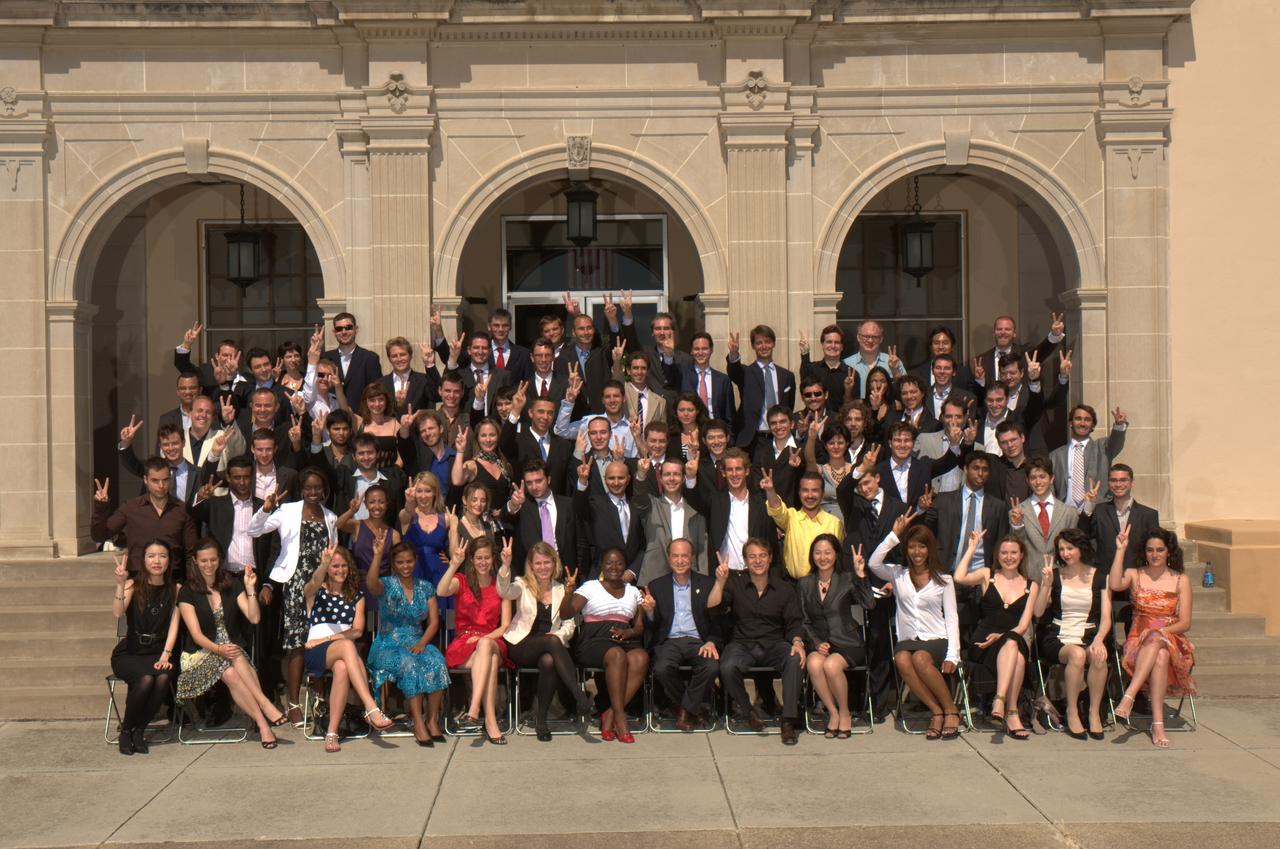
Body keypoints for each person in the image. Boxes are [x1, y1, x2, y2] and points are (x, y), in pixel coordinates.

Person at [247, 467, 338, 725]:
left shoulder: (330, 517)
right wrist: (266, 508)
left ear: (324, 490)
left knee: (320, 640)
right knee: (297, 645)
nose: (312, 492)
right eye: (308, 488)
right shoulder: (287, 511)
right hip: (296, 583)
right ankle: (294, 703)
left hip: (321, 584)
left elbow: (333, 554)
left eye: (317, 488)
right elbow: (254, 531)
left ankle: (320, 701)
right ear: (301, 489)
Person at [176, 539, 286, 747]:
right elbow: (196, 635)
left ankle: (263, 725)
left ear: (220, 560)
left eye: (213, 560)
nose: (209, 565)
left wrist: (250, 588)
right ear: (195, 562)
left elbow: (254, 618)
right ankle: (264, 707)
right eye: (204, 561)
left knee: (230, 669)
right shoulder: (187, 591)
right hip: (199, 655)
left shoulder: (231, 585)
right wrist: (219, 649)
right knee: (232, 659)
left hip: (231, 655)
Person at [867, 512, 963, 740]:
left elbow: (952, 618)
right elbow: (873, 562)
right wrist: (895, 534)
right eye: (912, 547)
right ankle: (936, 711)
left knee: (920, 658)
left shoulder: (944, 579)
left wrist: (953, 655)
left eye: (922, 547)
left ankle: (951, 710)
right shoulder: (898, 574)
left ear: (930, 549)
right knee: (901, 658)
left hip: (936, 638)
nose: (917, 552)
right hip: (908, 639)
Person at [708, 539, 806, 745]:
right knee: (727, 666)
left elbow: (795, 622)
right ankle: (748, 711)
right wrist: (720, 581)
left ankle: (788, 720)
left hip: (774, 644)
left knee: (794, 658)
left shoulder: (784, 588)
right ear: (745, 560)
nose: (758, 560)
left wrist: (797, 642)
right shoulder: (735, 584)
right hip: (742, 644)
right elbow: (712, 608)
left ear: (770, 559)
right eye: (752, 556)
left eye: (762, 555)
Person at [1109, 527, 1196, 749]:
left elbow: (1185, 622)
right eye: (1150, 550)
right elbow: (1114, 584)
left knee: (1159, 641)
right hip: (1138, 639)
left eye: (1160, 550)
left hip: (1172, 635)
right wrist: (1120, 550)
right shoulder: (1135, 574)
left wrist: (1161, 632)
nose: (1154, 554)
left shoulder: (1180, 579)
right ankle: (1158, 724)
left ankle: (1129, 695)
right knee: (1159, 655)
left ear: (1169, 552)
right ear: (1144, 552)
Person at [496, 541, 593, 741]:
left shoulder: (561, 589)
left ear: (554, 563)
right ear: (531, 565)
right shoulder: (521, 585)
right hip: (521, 645)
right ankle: (579, 696)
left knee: (549, 660)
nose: (542, 567)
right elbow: (504, 592)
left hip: (550, 647)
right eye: (538, 563)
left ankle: (541, 722)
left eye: (546, 562)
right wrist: (505, 565)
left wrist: (557, 637)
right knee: (551, 644)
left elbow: (569, 624)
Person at [302, 544, 395, 752]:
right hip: (316, 652)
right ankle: (371, 707)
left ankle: (332, 733)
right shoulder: (316, 592)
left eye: (344, 566)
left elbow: (357, 631)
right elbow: (312, 583)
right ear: (327, 568)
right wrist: (323, 565)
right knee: (346, 645)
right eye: (334, 566)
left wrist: (328, 637)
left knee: (343, 666)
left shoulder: (356, 594)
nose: (340, 570)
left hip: (341, 651)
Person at [953, 532, 1038, 739]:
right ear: (997, 555)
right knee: (1015, 652)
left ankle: (1000, 700)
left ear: (1021, 555)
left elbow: (1024, 625)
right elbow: (959, 577)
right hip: (983, 643)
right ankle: (1011, 711)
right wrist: (972, 547)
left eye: (1013, 552)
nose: (1009, 557)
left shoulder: (1031, 585)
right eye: (1004, 552)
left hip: (1011, 638)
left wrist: (1001, 637)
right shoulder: (986, 575)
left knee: (1013, 646)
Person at [366, 537, 449, 747]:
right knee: (410, 665)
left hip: (417, 640)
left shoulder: (426, 587)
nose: (405, 566)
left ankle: (432, 720)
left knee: (437, 662)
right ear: (394, 564)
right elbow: (370, 584)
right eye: (400, 562)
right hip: (387, 644)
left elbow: (433, 622)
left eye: (409, 561)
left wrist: (422, 643)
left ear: (415, 561)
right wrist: (377, 555)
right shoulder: (386, 584)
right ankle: (418, 722)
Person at [560, 548, 649, 743]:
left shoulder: (634, 592)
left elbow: (640, 626)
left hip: (624, 639)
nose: (614, 567)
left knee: (641, 657)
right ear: (601, 566)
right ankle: (620, 718)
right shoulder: (590, 587)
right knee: (616, 655)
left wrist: (629, 632)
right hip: (593, 641)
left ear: (625, 567)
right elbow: (566, 613)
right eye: (609, 563)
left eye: (619, 563)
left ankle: (609, 714)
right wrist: (568, 592)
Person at [1032, 527, 1111, 740]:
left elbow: (1106, 618)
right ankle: (1072, 711)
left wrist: (1099, 640)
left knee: (1098, 656)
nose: (1065, 553)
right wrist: (1046, 585)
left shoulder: (1099, 576)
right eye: (1061, 549)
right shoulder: (1055, 575)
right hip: (1058, 636)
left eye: (1070, 548)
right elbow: (1038, 612)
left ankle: (1094, 712)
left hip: (1089, 635)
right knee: (1077, 654)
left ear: (1081, 548)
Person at [797, 534, 875, 738]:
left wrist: (861, 574)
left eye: (827, 552)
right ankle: (832, 713)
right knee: (814, 664)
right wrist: (816, 642)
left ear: (836, 555)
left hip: (848, 641)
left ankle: (845, 712)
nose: (822, 557)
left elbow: (869, 604)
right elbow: (804, 620)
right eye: (818, 552)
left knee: (831, 666)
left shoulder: (847, 579)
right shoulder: (805, 583)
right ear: (812, 555)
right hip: (821, 642)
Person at [439, 536, 514, 744]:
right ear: (471, 560)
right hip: (464, 644)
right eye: (479, 558)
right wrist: (454, 564)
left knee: (486, 646)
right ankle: (490, 721)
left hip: (492, 640)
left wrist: (483, 638)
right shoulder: (461, 581)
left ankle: (474, 707)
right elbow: (441, 590)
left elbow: (505, 625)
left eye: (487, 558)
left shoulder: (501, 584)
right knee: (487, 662)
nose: (483, 562)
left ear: (493, 559)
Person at [109, 542, 181, 755]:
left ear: (169, 561)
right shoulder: (133, 585)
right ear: (144, 560)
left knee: (163, 676)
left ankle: (138, 731)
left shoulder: (176, 589)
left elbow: (174, 626)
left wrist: (166, 654)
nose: (157, 561)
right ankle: (127, 731)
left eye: (162, 556)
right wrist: (120, 584)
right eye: (151, 556)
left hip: (158, 651)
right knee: (147, 678)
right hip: (130, 652)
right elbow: (117, 612)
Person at [643, 538, 722, 731]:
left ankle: (683, 711)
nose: (680, 560)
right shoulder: (656, 586)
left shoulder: (707, 583)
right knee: (661, 668)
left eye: (684, 556)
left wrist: (711, 641)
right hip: (670, 642)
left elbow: (718, 620)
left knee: (711, 666)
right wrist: (650, 611)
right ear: (668, 558)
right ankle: (694, 710)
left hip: (697, 641)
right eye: (675, 556)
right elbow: (651, 627)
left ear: (692, 558)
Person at [92, 459, 198, 578]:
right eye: (155, 481)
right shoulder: (130, 508)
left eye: (165, 480)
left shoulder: (182, 510)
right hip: (138, 581)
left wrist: (190, 586)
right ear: (145, 480)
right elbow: (99, 535)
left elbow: (191, 553)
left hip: (173, 581)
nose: (161, 486)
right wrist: (101, 506)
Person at [1010, 457, 1093, 582]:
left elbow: (1076, 547)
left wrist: (1089, 505)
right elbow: (1016, 548)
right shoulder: (1017, 512)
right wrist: (1017, 525)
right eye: (1033, 478)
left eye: (1042, 476)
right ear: (1027, 481)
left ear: (1052, 478)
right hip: (1028, 579)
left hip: (1062, 579)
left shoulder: (1069, 512)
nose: (1038, 482)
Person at [633, 454, 709, 585]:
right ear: (661, 479)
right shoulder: (651, 505)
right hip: (654, 579)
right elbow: (639, 499)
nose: (672, 479)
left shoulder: (696, 510)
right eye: (667, 474)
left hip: (690, 580)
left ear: (684, 478)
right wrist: (641, 475)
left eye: (676, 474)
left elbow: (702, 549)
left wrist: (703, 581)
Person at [764, 469, 844, 580]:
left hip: (824, 588)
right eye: (805, 490)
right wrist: (770, 491)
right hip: (793, 587)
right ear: (799, 493)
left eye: (815, 490)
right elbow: (776, 509)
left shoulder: (835, 523)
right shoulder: (791, 517)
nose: (810, 495)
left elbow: (839, 559)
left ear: (822, 494)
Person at [727, 324, 796, 450]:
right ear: (753, 346)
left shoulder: (787, 376)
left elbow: (789, 407)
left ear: (774, 343)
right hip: (753, 441)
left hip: (780, 438)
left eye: (767, 342)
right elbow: (733, 371)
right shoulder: (745, 373)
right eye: (759, 343)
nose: (764, 346)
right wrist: (734, 354)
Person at [504, 460, 577, 577]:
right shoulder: (522, 505)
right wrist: (513, 505)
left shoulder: (567, 505)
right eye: (529, 483)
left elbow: (579, 542)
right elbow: (506, 519)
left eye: (538, 481)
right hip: (531, 576)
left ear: (548, 479)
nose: (534, 487)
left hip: (564, 574)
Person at [1083, 463, 1160, 570]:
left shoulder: (1149, 515)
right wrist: (1088, 505)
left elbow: (1155, 548)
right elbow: (1083, 536)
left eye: (1123, 480)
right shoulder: (1099, 511)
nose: (1118, 484)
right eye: (1113, 480)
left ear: (1132, 482)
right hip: (1105, 576)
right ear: (1108, 483)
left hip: (1137, 576)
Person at [500, 382, 574, 494]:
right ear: (530, 413)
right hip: (526, 506)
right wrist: (515, 410)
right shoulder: (518, 441)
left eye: (550, 413)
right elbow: (504, 444)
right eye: (540, 412)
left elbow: (567, 484)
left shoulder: (564, 446)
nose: (545, 417)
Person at [1050, 405, 1128, 510]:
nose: (1082, 423)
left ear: (1093, 425)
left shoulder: (1103, 447)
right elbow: (1050, 486)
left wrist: (1119, 426)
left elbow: (1115, 443)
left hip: (1097, 510)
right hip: (1066, 513)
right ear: (1071, 423)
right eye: (1078, 419)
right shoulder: (1055, 455)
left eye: (1087, 420)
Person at [399, 471, 455, 585]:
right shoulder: (407, 516)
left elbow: (455, 554)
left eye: (428, 491)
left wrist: (451, 564)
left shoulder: (447, 518)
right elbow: (407, 511)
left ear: (435, 492)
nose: (423, 496)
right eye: (419, 491)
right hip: (412, 574)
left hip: (439, 575)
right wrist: (409, 502)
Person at [324, 312, 383, 412]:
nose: (344, 332)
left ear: (356, 329)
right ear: (334, 332)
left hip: (362, 420)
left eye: (348, 327)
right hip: (332, 420)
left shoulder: (370, 358)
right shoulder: (325, 358)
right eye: (339, 329)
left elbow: (376, 392)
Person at [451, 419, 513, 516]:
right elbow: (457, 480)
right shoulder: (472, 465)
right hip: (477, 525)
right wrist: (460, 451)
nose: (488, 440)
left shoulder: (505, 464)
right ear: (477, 439)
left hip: (501, 524)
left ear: (498, 437)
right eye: (483, 435)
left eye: (492, 435)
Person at [802, 416, 856, 526]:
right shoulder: (820, 470)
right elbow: (809, 459)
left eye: (840, 443)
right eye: (831, 443)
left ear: (847, 444)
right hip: (825, 528)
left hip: (851, 527)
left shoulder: (855, 470)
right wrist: (812, 437)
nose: (836, 447)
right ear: (825, 446)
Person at [681, 332, 736, 430]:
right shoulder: (682, 377)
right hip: (689, 434)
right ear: (691, 351)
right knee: (685, 446)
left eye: (704, 349)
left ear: (711, 350)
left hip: (716, 436)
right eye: (696, 349)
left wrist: (729, 441)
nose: (700, 352)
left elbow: (730, 416)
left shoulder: (723, 380)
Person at [799, 325, 860, 412]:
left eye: (837, 342)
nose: (833, 345)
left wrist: (848, 390)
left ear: (842, 346)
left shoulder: (851, 374)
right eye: (829, 342)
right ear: (822, 345)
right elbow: (804, 388)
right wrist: (805, 354)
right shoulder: (812, 368)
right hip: (815, 422)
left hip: (841, 423)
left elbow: (853, 407)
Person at [398, 408, 456, 497]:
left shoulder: (454, 457)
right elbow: (404, 444)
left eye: (431, 428)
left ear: (440, 429)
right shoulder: (416, 456)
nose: (427, 433)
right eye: (423, 431)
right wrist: (405, 427)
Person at [378, 335, 439, 416]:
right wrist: (398, 404)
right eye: (394, 356)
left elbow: (437, 396)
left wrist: (429, 364)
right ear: (389, 359)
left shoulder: (423, 380)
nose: (399, 359)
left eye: (403, 354)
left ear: (410, 356)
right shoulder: (381, 384)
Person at [354, 383, 402, 468]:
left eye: (381, 399)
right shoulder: (359, 423)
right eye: (372, 400)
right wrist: (338, 387)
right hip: (365, 477)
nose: (377, 404)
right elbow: (345, 409)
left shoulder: (396, 424)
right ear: (366, 402)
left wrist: (393, 474)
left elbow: (401, 456)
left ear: (386, 401)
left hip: (391, 476)